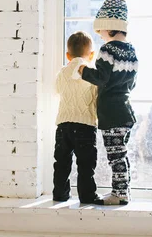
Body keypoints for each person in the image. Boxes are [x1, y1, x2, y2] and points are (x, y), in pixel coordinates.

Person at [77, 0, 138, 205]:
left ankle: (119, 195)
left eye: (100, 29)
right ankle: (124, 191)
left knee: (115, 156)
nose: (100, 34)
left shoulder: (107, 50)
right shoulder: (131, 51)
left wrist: (83, 71)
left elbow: (101, 78)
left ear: (109, 25)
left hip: (111, 114)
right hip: (126, 112)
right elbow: (132, 83)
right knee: (121, 154)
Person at [52, 31, 101, 204]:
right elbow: (96, 95)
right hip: (85, 125)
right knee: (86, 163)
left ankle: (60, 194)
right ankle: (87, 196)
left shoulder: (62, 72)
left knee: (62, 162)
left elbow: (57, 89)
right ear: (92, 54)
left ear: (68, 55)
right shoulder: (91, 73)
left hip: (63, 125)